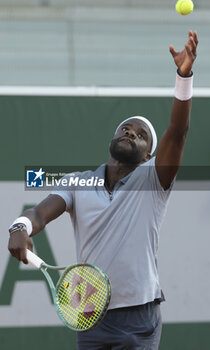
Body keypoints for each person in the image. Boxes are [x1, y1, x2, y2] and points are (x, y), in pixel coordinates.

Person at [8, 30, 198, 350]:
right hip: (91, 314)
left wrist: (184, 76)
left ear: (149, 156)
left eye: (140, 135)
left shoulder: (153, 180)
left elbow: (178, 133)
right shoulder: (77, 182)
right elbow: (39, 213)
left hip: (139, 316)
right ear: (111, 140)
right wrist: (20, 226)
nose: (130, 132)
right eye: (126, 129)